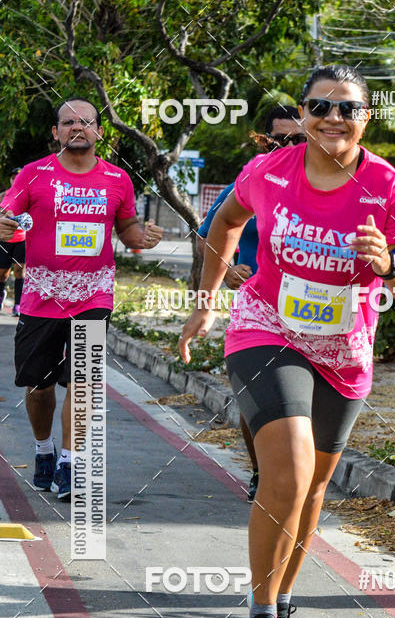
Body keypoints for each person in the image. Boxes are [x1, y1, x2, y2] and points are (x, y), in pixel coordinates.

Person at [179, 65, 395, 618]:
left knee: (314, 488)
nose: (332, 119)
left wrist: (388, 267)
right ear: (303, 113)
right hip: (265, 327)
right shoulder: (269, 171)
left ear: (365, 118)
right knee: (287, 475)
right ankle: (260, 614)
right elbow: (225, 222)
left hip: (343, 349)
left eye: (347, 109)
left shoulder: (386, 186)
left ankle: (285, 600)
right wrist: (206, 302)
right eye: (320, 107)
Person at [0, 97, 163, 501]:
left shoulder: (117, 179)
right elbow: (8, 212)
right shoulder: (34, 174)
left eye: (86, 122)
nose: (78, 127)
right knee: (38, 387)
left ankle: (70, 463)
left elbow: (127, 229)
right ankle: (44, 450)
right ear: (56, 132)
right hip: (42, 296)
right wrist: (3, 223)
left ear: (99, 132)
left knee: (84, 380)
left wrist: (142, 238)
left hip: (93, 294)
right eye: (69, 122)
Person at [196, 104, 306, 501]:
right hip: (259, 312)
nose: (289, 148)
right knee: (257, 397)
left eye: (299, 139)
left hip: (317, 315)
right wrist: (227, 271)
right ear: (265, 141)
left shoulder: (330, 184)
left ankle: (298, 481)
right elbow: (209, 234)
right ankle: (262, 471)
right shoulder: (253, 179)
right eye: (280, 140)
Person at [0, 168, 26, 316]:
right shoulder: (3, 196)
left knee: (19, 272)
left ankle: (18, 305)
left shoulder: (29, 195)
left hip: (22, 239)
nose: (15, 180)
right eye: (13, 177)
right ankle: (1, 297)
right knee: (2, 273)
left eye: (19, 177)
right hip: (5, 239)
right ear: (10, 180)